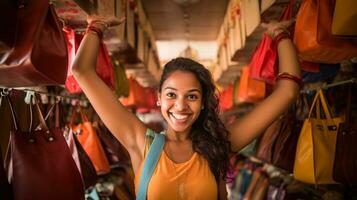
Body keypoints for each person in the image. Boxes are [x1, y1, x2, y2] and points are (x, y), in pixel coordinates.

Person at [72, 15, 300, 200]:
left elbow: (287, 92)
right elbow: (82, 71)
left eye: (192, 96)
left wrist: (280, 34)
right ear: (159, 98)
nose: (180, 106)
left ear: (203, 103)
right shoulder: (141, 142)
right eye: (171, 94)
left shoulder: (218, 145)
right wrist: (96, 27)